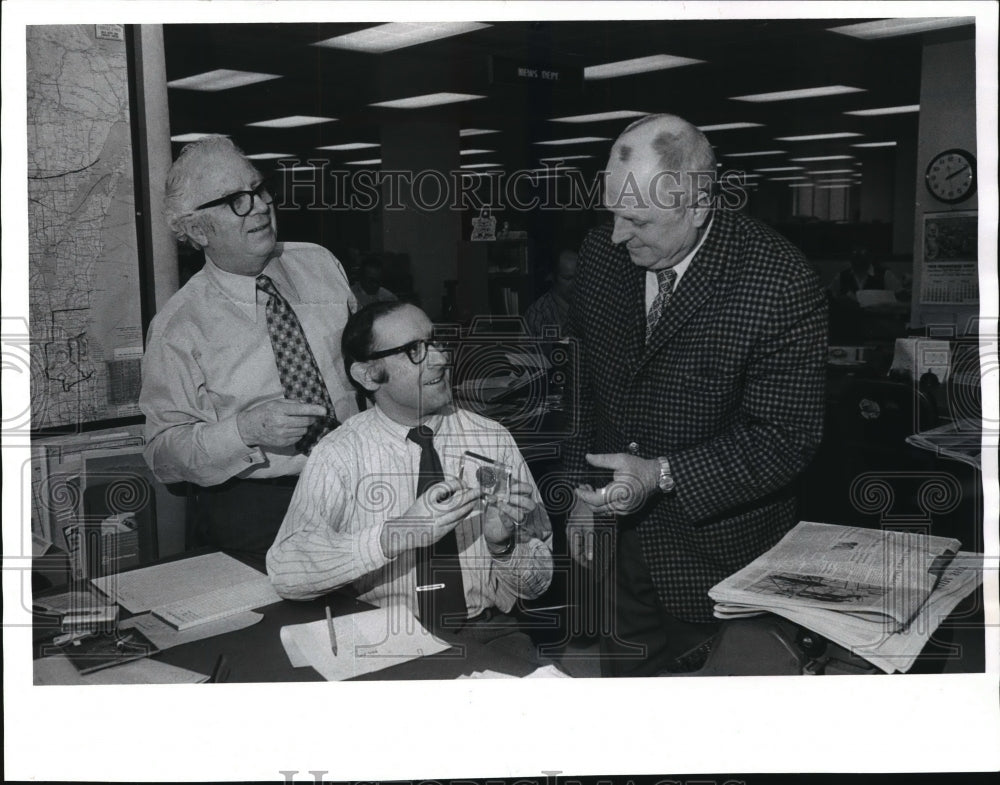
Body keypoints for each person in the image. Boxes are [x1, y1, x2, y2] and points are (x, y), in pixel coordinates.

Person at [564, 114, 828, 676]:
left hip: (717, 560)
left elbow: (786, 439)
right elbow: (585, 388)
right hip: (615, 549)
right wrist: (582, 496)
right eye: (612, 212)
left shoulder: (778, 282)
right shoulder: (600, 257)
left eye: (635, 219)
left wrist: (660, 473)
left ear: (698, 205)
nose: (615, 235)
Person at [267, 302, 553, 647]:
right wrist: (397, 534)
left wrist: (503, 546)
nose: (440, 359)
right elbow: (286, 573)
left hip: (488, 631)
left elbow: (539, 584)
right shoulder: (339, 453)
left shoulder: (492, 438)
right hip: (382, 639)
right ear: (368, 374)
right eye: (414, 350)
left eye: (434, 342)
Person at [139, 136, 357, 559]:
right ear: (198, 230)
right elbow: (163, 454)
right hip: (261, 510)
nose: (259, 205)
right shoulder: (177, 327)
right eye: (235, 200)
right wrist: (244, 430)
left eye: (257, 189)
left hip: (359, 483)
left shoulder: (320, 264)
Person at [524, 249, 579, 337]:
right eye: (567, 278)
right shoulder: (538, 314)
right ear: (553, 277)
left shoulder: (587, 305)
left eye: (578, 277)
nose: (574, 283)